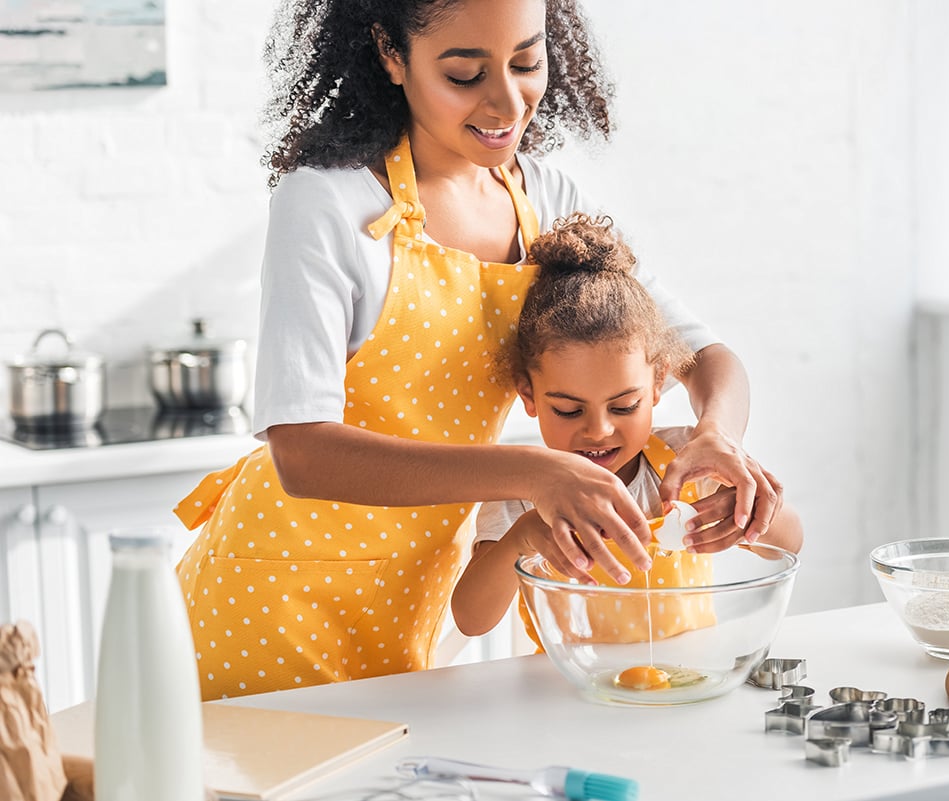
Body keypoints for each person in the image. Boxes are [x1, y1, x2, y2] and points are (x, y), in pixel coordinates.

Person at [174, 0, 789, 701]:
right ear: (391, 54)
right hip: (274, 596)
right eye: (466, 74)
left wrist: (716, 436)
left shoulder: (545, 201)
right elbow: (302, 451)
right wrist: (530, 472)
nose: (507, 101)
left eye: (527, 62)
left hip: (419, 599)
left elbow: (704, 357)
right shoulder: (326, 204)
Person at [451, 214, 803, 642]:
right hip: (571, 694)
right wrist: (519, 541)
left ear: (658, 385)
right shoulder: (523, 494)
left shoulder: (685, 462)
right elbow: (471, 620)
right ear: (528, 395)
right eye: (567, 410)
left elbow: (787, 545)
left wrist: (752, 508)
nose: (598, 430)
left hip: (685, 687)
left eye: (623, 406)